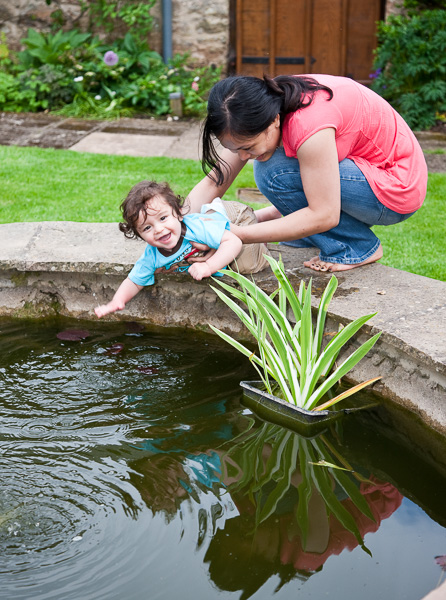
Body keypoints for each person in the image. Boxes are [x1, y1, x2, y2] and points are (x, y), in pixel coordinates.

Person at [186, 74, 428, 273]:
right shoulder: (261, 106)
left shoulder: (309, 125)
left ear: (274, 121)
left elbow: (325, 214)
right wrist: (181, 227)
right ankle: (310, 235)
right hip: (368, 172)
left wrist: (235, 235)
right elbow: (216, 180)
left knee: (272, 171)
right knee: (270, 163)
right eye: (234, 149)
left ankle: (353, 246)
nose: (241, 157)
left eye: (247, 147)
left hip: (398, 189)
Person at [94, 180, 266, 318]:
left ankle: (263, 216)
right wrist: (116, 301)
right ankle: (263, 215)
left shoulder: (195, 229)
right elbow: (134, 281)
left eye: (163, 218)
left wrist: (209, 266)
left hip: (232, 215)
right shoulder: (152, 256)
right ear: (140, 236)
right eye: (147, 228)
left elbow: (233, 242)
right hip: (217, 230)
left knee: (248, 264)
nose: (159, 229)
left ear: (178, 213)